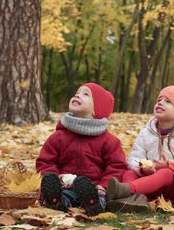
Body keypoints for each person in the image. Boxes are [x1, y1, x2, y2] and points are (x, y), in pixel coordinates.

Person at [106, 86, 174, 212]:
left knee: (165, 173)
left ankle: (126, 191)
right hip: (148, 183)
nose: (160, 103)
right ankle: (134, 199)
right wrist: (142, 168)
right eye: (159, 100)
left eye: (168, 101)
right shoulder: (146, 132)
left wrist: (171, 166)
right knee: (129, 172)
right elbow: (134, 157)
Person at [36, 83, 128, 216]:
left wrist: (104, 186)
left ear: (96, 109)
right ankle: (57, 202)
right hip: (65, 187)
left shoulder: (109, 141)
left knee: (98, 197)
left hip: (94, 188)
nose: (77, 95)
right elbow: (45, 161)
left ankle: (95, 206)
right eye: (77, 92)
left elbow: (116, 166)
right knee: (61, 195)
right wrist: (56, 178)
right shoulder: (59, 136)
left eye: (86, 94)